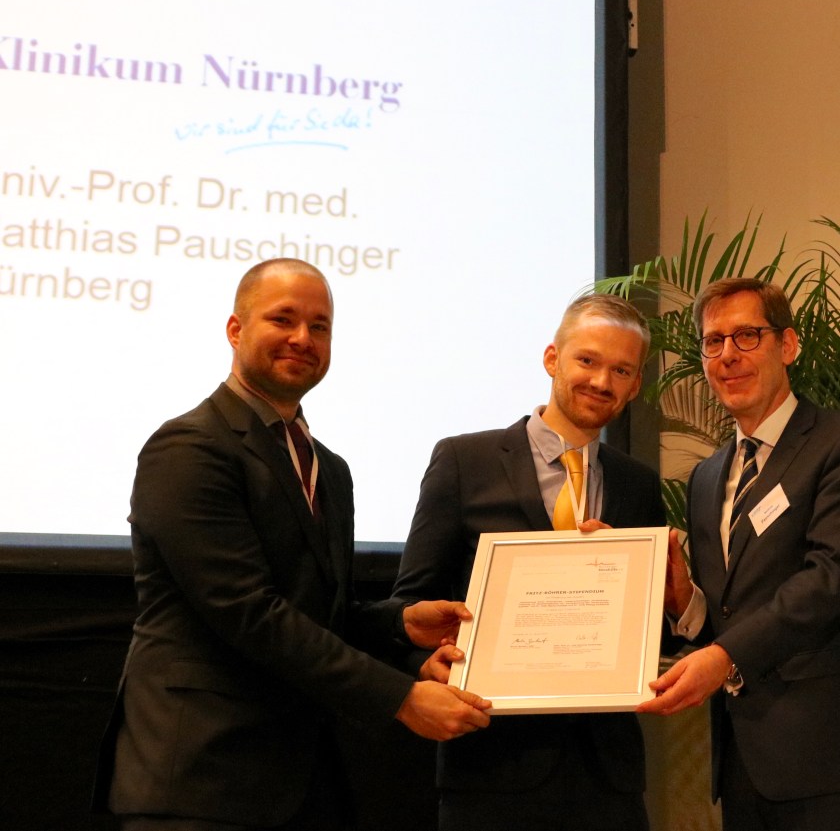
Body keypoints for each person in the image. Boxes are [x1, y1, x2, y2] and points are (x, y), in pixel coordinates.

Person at [93, 258, 491, 831]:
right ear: (236, 330)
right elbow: (249, 612)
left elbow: (317, 612)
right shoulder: (188, 448)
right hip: (199, 780)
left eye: (319, 326)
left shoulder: (330, 469)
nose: (303, 338)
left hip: (299, 782)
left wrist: (402, 624)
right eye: (283, 319)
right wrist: (401, 697)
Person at [391, 293, 667, 831]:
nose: (601, 382)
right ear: (552, 359)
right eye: (587, 360)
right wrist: (424, 665)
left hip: (606, 779)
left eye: (621, 370)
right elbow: (408, 605)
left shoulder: (638, 485)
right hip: (488, 769)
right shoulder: (463, 461)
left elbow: (652, 632)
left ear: (635, 385)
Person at [638, 277, 840, 830]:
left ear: (788, 345)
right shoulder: (707, 478)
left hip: (823, 761)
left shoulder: (832, 444)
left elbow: (829, 578)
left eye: (747, 335)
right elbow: (724, 613)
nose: (728, 355)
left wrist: (724, 657)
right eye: (713, 341)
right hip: (741, 765)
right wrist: (684, 599)